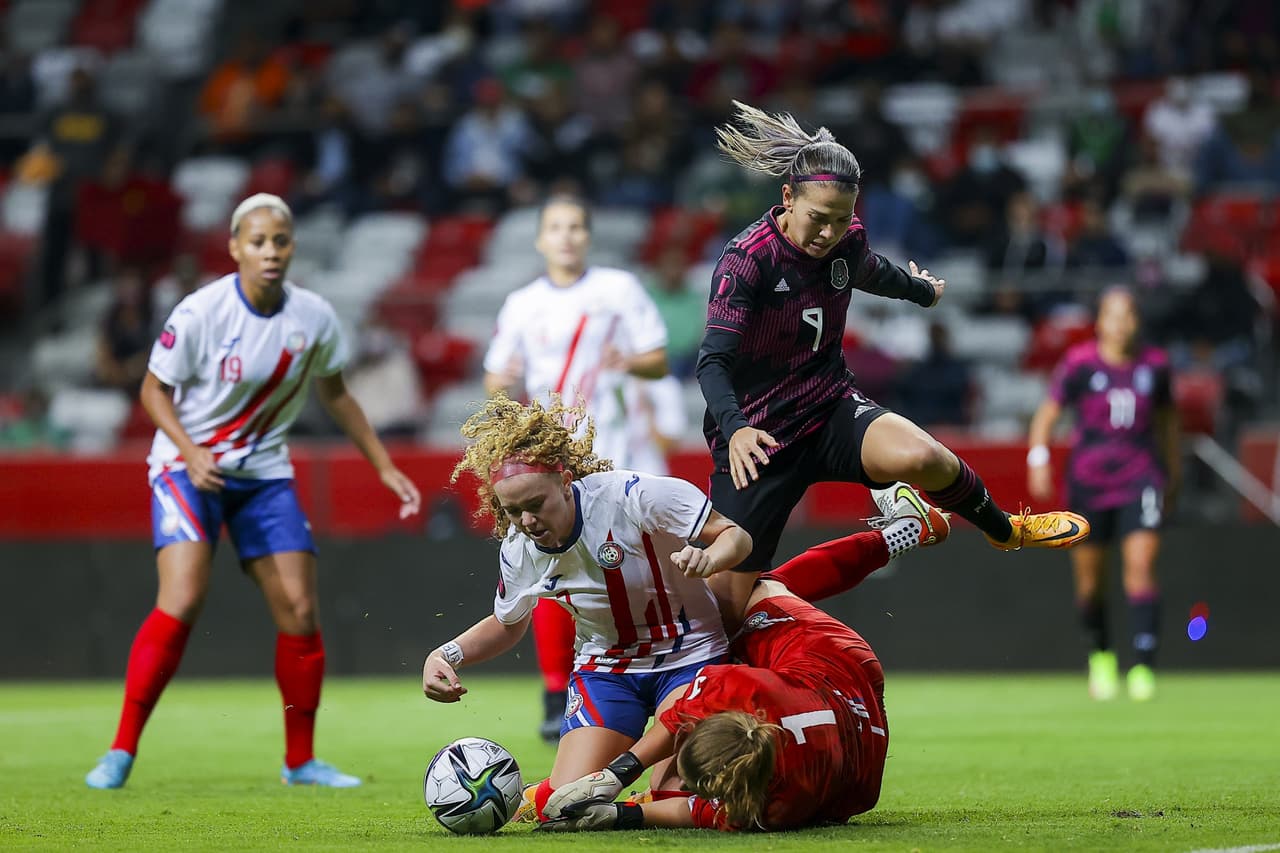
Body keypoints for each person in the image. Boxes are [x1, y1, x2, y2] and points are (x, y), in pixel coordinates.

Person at [696, 101, 1090, 619]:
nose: (827, 234)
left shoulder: (844, 240)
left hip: (828, 408)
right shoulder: (746, 261)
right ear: (787, 197)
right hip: (760, 439)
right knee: (721, 616)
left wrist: (919, 291)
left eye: (841, 221)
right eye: (817, 218)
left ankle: (1007, 531)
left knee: (925, 458)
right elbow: (711, 362)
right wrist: (738, 428)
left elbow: (868, 269)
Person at [85, 193, 422, 790]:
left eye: (281, 241)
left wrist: (383, 465)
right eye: (259, 241)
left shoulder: (314, 317)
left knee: (299, 609)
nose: (271, 251)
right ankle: (120, 750)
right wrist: (190, 453)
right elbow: (152, 392)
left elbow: (337, 394)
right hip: (186, 470)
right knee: (183, 596)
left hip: (264, 475)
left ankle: (300, 762)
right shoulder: (200, 312)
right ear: (236, 246)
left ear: (292, 248)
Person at [536, 486, 952, 832]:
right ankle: (906, 531)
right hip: (825, 653)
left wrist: (625, 811)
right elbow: (682, 719)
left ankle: (906, 532)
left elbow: (702, 807)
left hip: (858, 739)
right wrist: (620, 774)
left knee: (752, 592)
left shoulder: (774, 809)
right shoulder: (748, 695)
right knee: (743, 598)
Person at [420, 393, 752, 818]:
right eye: (513, 511)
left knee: (672, 794)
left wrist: (711, 557)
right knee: (564, 805)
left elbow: (737, 537)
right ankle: (530, 796)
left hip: (693, 659)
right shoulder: (519, 546)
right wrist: (445, 654)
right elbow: (509, 624)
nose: (526, 522)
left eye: (535, 505)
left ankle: (640, 803)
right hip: (608, 672)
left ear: (565, 481)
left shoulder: (634, 497)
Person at [483, 194, 671, 743]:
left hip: (616, 452)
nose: (566, 237)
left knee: (635, 566)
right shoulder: (522, 303)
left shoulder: (618, 290)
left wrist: (628, 361)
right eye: (555, 228)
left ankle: (655, 668)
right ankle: (553, 690)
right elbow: (495, 379)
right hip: (554, 459)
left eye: (575, 227)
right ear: (541, 239)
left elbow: (658, 361)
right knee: (554, 571)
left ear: (587, 236)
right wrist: (507, 385)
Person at [1027, 287, 1179, 702]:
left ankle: (1144, 667)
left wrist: (1173, 475)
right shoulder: (1079, 364)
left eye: (1128, 314)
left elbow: (1168, 424)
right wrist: (1038, 458)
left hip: (1141, 477)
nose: (1122, 323)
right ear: (1100, 322)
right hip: (1089, 482)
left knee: (1141, 564)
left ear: (1137, 320)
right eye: (1113, 315)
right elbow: (1047, 415)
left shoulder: (1156, 366)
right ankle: (1101, 656)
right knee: (1091, 583)